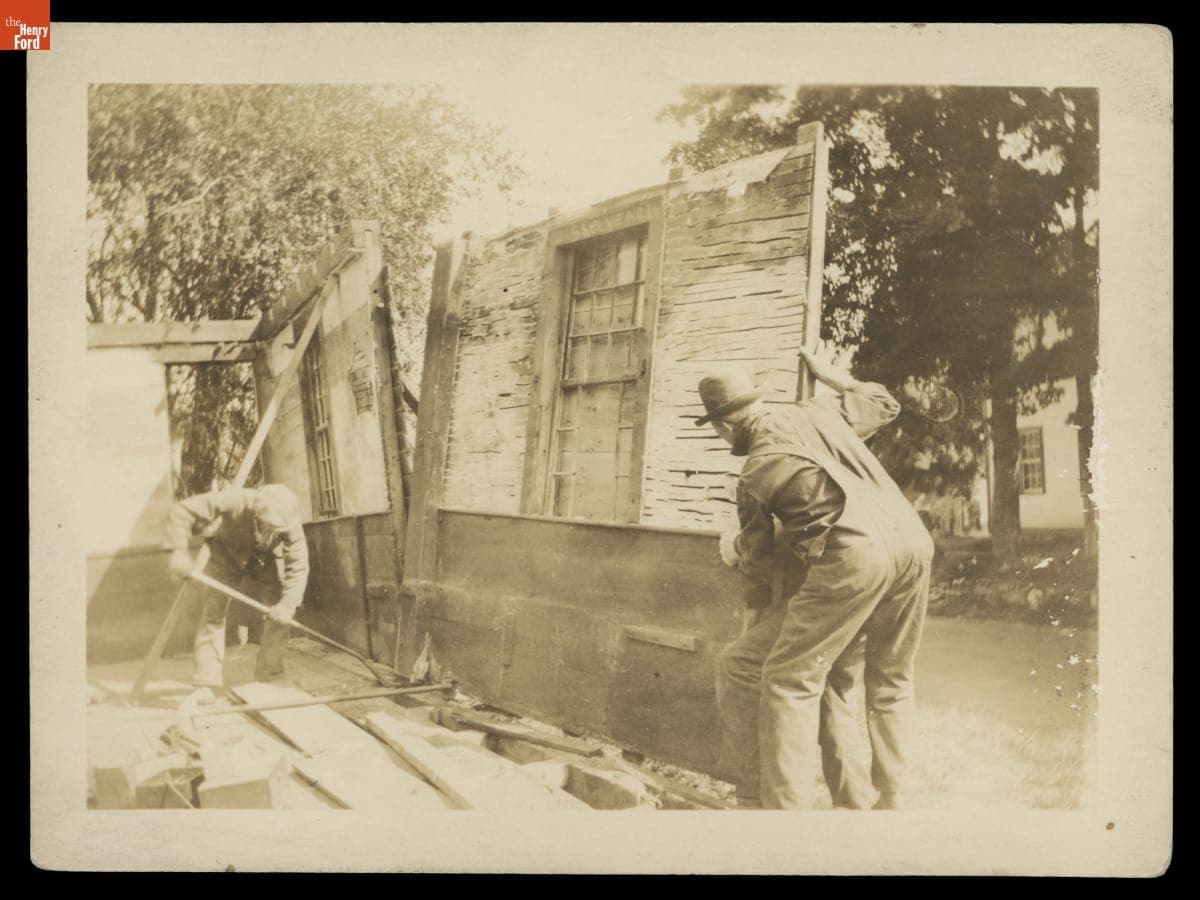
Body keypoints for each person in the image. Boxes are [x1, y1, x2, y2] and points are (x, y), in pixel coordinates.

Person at [699, 348, 934, 810]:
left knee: (788, 679)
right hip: (915, 547)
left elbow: (759, 568)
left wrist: (737, 551)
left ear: (723, 427)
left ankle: (788, 818)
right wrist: (834, 377)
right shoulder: (819, 412)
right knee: (891, 680)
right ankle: (895, 805)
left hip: (856, 562)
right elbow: (883, 403)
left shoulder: (754, 473)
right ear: (757, 403)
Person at [164, 483, 310, 692]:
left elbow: (298, 565)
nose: (270, 533)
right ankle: (207, 681)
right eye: (266, 526)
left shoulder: (289, 520)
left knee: (281, 611)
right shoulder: (235, 500)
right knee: (213, 614)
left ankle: (270, 674)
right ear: (255, 514)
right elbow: (181, 510)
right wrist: (178, 552)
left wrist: (287, 605)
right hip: (225, 556)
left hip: (261, 561)